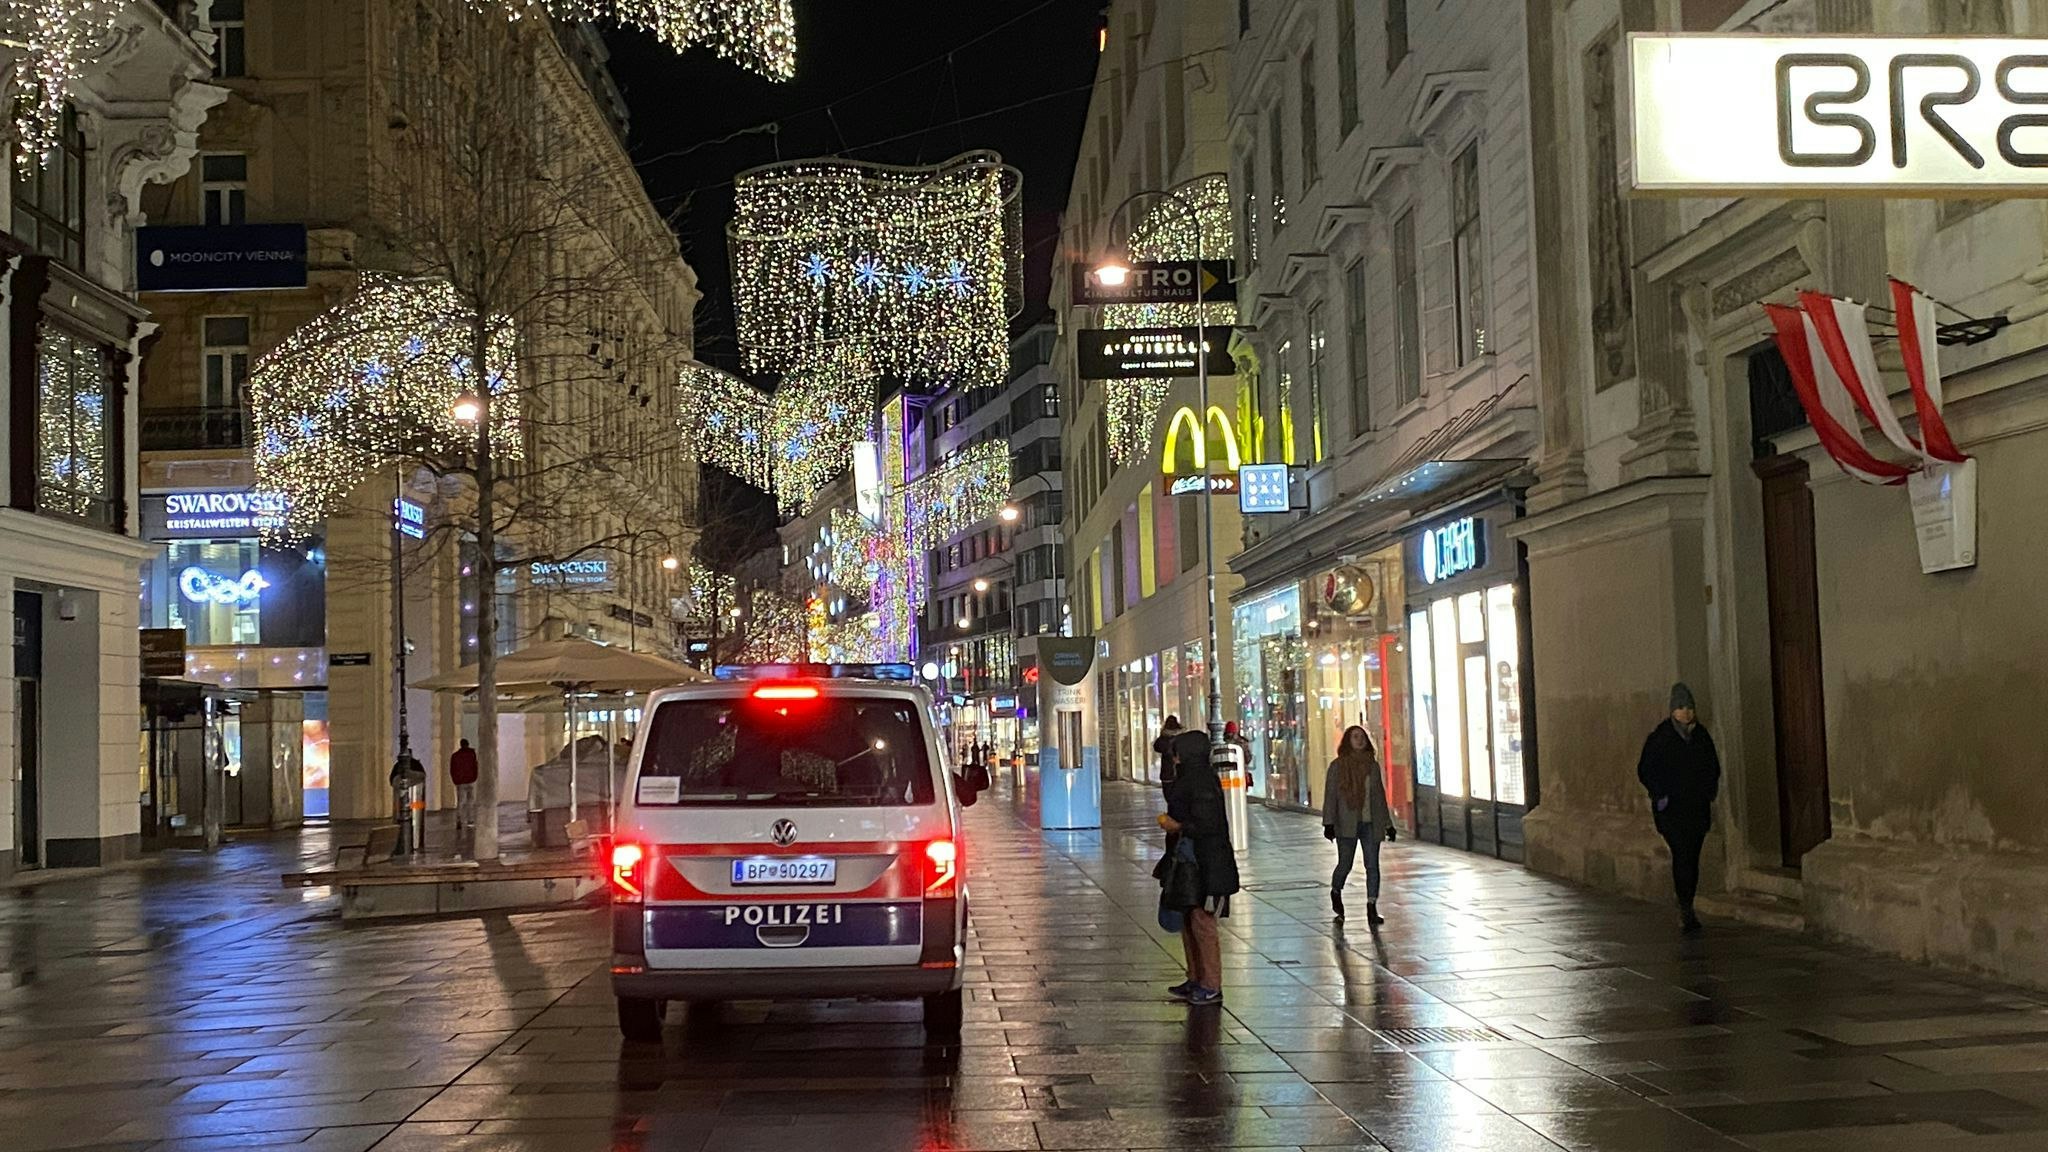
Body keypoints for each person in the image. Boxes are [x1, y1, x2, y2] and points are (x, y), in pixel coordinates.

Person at [1158, 730, 1240, 1006]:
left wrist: (1177, 826)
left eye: (1178, 752)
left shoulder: (1201, 782)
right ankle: (1196, 977)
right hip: (1190, 861)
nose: (1175, 757)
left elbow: (1208, 825)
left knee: (1202, 921)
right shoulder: (1190, 778)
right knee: (1188, 919)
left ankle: (1211, 984)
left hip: (1206, 863)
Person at [1637, 682, 1722, 934]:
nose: (1686, 712)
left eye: (1690, 708)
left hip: (1696, 808)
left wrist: (1709, 791)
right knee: (1682, 854)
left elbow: (1712, 767)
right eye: (1681, 707)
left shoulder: (1701, 736)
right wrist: (1660, 792)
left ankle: (1687, 901)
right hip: (1672, 809)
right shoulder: (1661, 737)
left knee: (1692, 857)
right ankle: (1685, 905)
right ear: (1673, 710)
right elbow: (1646, 769)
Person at [1323, 725, 1395, 925]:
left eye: (1362, 736)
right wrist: (1328, 822)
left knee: (1372, 865)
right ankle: (1336, 891)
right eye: (1355, 737)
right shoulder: (1338, 766)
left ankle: (1372, 906)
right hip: (1346, 823)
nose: (1360, 740)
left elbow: (1379, 796)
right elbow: (1331, 796)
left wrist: (1388, 824)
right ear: (1348, 740)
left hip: (1371, 823)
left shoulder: (1372, 766)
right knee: (1345, 864)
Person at [450, 738, 479, 831]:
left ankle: (459, 819)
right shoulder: (471, 754)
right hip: (470, 780)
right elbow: (475, 766)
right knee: (470, 801)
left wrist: (455, 780)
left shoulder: (455, 756)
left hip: (460, 782)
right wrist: (475, 777)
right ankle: (470, 820)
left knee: (461, 802)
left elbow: (452, 769)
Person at [1152, 715, 1184, 788]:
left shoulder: (1164, 737)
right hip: (1181, 770)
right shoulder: (1182, 736)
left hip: (1167, 772)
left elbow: (1157, 747)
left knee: (1169, 792)